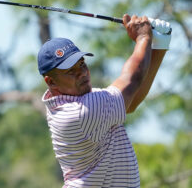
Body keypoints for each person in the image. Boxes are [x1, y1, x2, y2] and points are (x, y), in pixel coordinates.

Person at [37, 14, 171, 188]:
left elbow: (130, 102)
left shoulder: (74, 102)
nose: (82, 73)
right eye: (71, 71)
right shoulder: (81, 112)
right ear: (51, 82)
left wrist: (160, 45)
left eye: (82, 64)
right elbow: (132, 80)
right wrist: (143, 37)